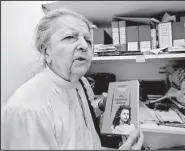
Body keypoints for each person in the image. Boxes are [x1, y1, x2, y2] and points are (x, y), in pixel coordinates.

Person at [1, 8, 144, 150]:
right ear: (46, 51)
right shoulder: (26, 111)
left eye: (88, 40)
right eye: (69, 37)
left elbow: (82, 132)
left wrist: (102, 106)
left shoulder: (81, 83)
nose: (84, 46)